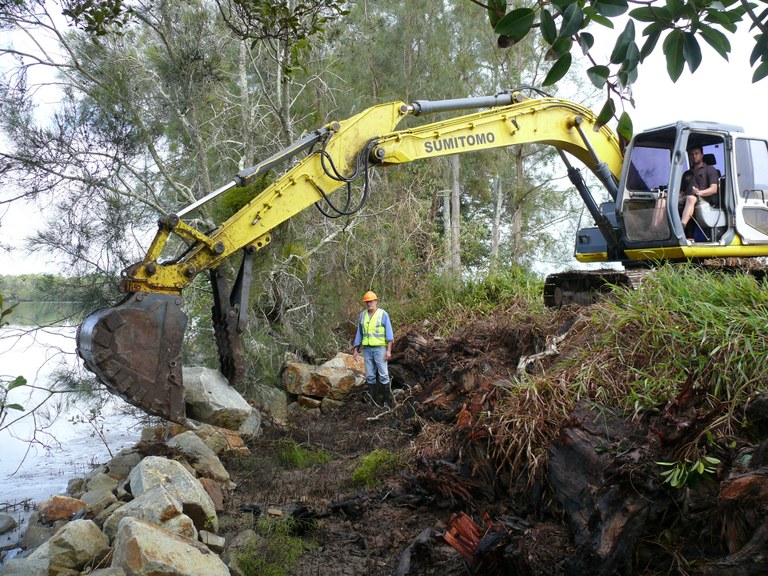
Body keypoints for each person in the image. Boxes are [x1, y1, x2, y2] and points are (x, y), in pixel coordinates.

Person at [352, 290, 394, 407]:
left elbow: (389, 335)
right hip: (367, 350)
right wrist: (356, 350)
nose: (369, 304)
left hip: (380, 349)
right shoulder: (362, 315)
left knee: (384, 375)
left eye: (371, 301)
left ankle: (386, 402)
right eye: (367, 302)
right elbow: (359, 334)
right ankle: (373, 401)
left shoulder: (383, 314)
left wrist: (389, 351)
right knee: (370, 375)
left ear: (376, 301)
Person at [679, 146, 720, 237]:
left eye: (696, 153)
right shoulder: (687, 173)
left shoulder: (710, 169)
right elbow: (681, 192)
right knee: (662, 200)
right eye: (692, 154)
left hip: (702, 198)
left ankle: (680, 228)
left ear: (702, 155)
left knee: (691, 198)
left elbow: (714, 189)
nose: (694, 156)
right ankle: (655, 229)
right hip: (685, 198)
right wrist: (670, 195)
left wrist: (700, 193)